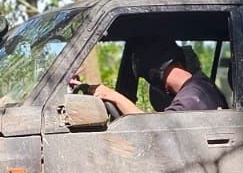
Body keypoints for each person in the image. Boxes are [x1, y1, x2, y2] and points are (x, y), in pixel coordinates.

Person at [89, 37, 226, 115]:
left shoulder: (191, 99)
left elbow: (154, 132)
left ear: (153, 73)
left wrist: (112, 96)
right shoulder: (201, 86)